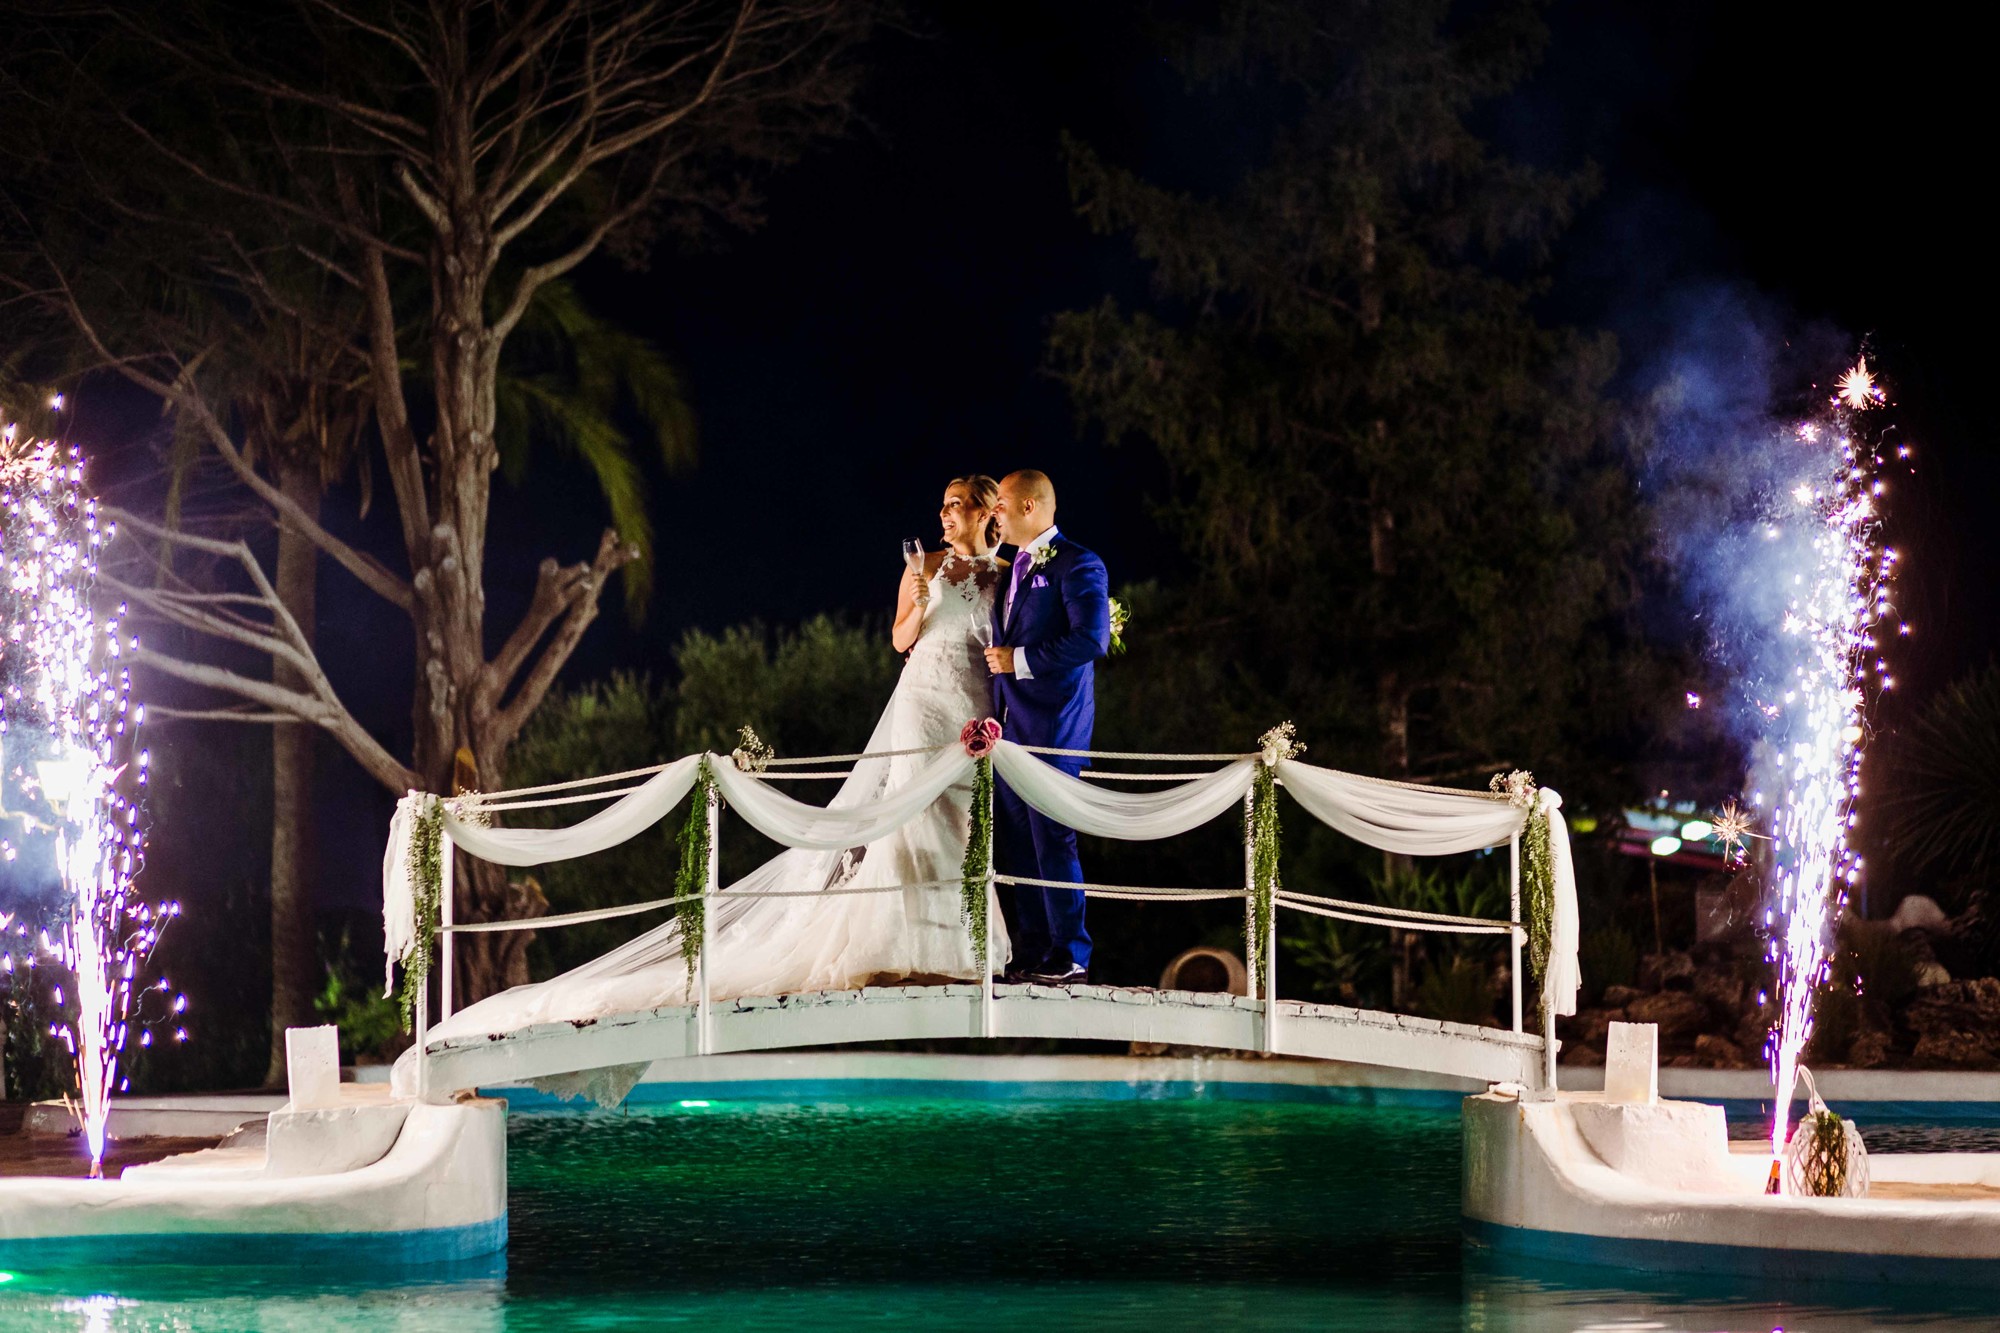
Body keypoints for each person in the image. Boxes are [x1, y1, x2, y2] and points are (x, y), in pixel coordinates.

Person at [404, 475, 1017, 1081]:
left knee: (961, 822)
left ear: (988, 512)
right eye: (942, 505)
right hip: (919, 704)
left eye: (958, 506)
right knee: (906, 822)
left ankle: (959, 952)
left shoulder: (1007, 575)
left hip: (970, 703)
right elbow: (899, 639)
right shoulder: (925, 566)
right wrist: (914, 595)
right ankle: (902, 951)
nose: (946, 515)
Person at [985, 469, 1112, 984]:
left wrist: (1020, 660)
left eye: (1001, 505)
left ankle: (1072, 954)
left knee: (1054, 839)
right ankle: (1032, 950)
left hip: (1056, 726)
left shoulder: (1080, 564)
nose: (995, 513)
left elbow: (1092, 640)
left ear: (1030, 507)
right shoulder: (1010, 567)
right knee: (1019, 843)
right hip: (1010, 729)